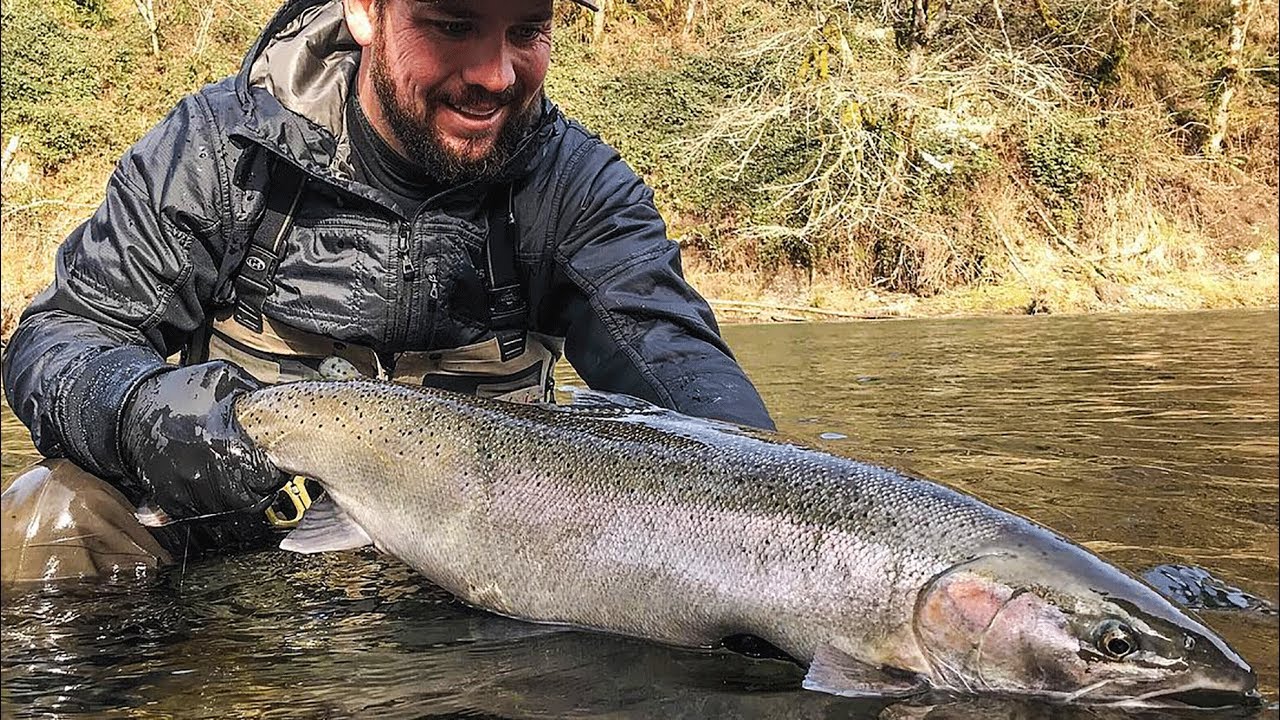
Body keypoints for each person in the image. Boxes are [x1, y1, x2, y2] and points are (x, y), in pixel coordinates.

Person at [0, 0, 774, 583]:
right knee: (44, 519)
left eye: (526, 30)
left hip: (478, 569)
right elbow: (63, 335)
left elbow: (690, 387)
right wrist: (140, 411)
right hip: (237, 542)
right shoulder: (219, 151)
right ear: (367, 11)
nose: (495, 75)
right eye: (452, 24)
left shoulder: (576, 190)